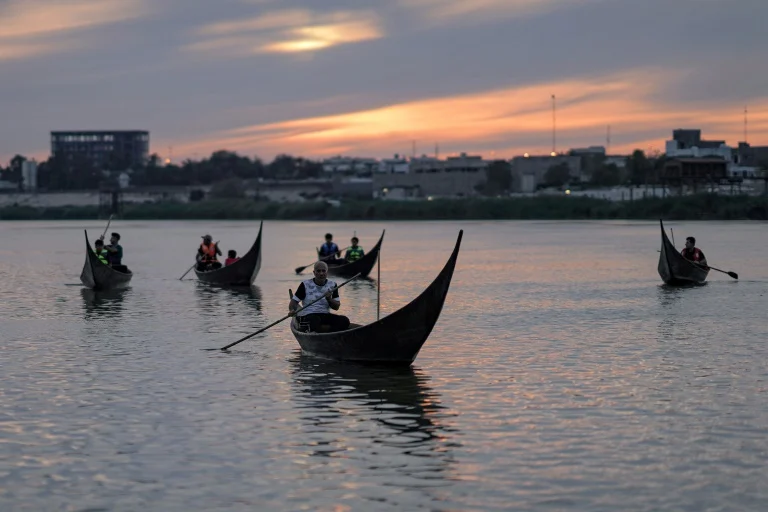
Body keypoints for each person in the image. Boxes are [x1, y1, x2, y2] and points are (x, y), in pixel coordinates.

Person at [289, 261, 350, 333]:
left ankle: (323, 330)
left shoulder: (333, 285)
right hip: (310, 315)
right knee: (314, 320)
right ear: (314, 272)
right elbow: (293, 303)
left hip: (325, 315)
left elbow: (336, 307)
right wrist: (292, 310)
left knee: (345, 321)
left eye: (323, 271)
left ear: (327, 272)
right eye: (318, 271)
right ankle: (322, 330)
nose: (321, 273)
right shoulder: (305, 284)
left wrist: (329, 299)